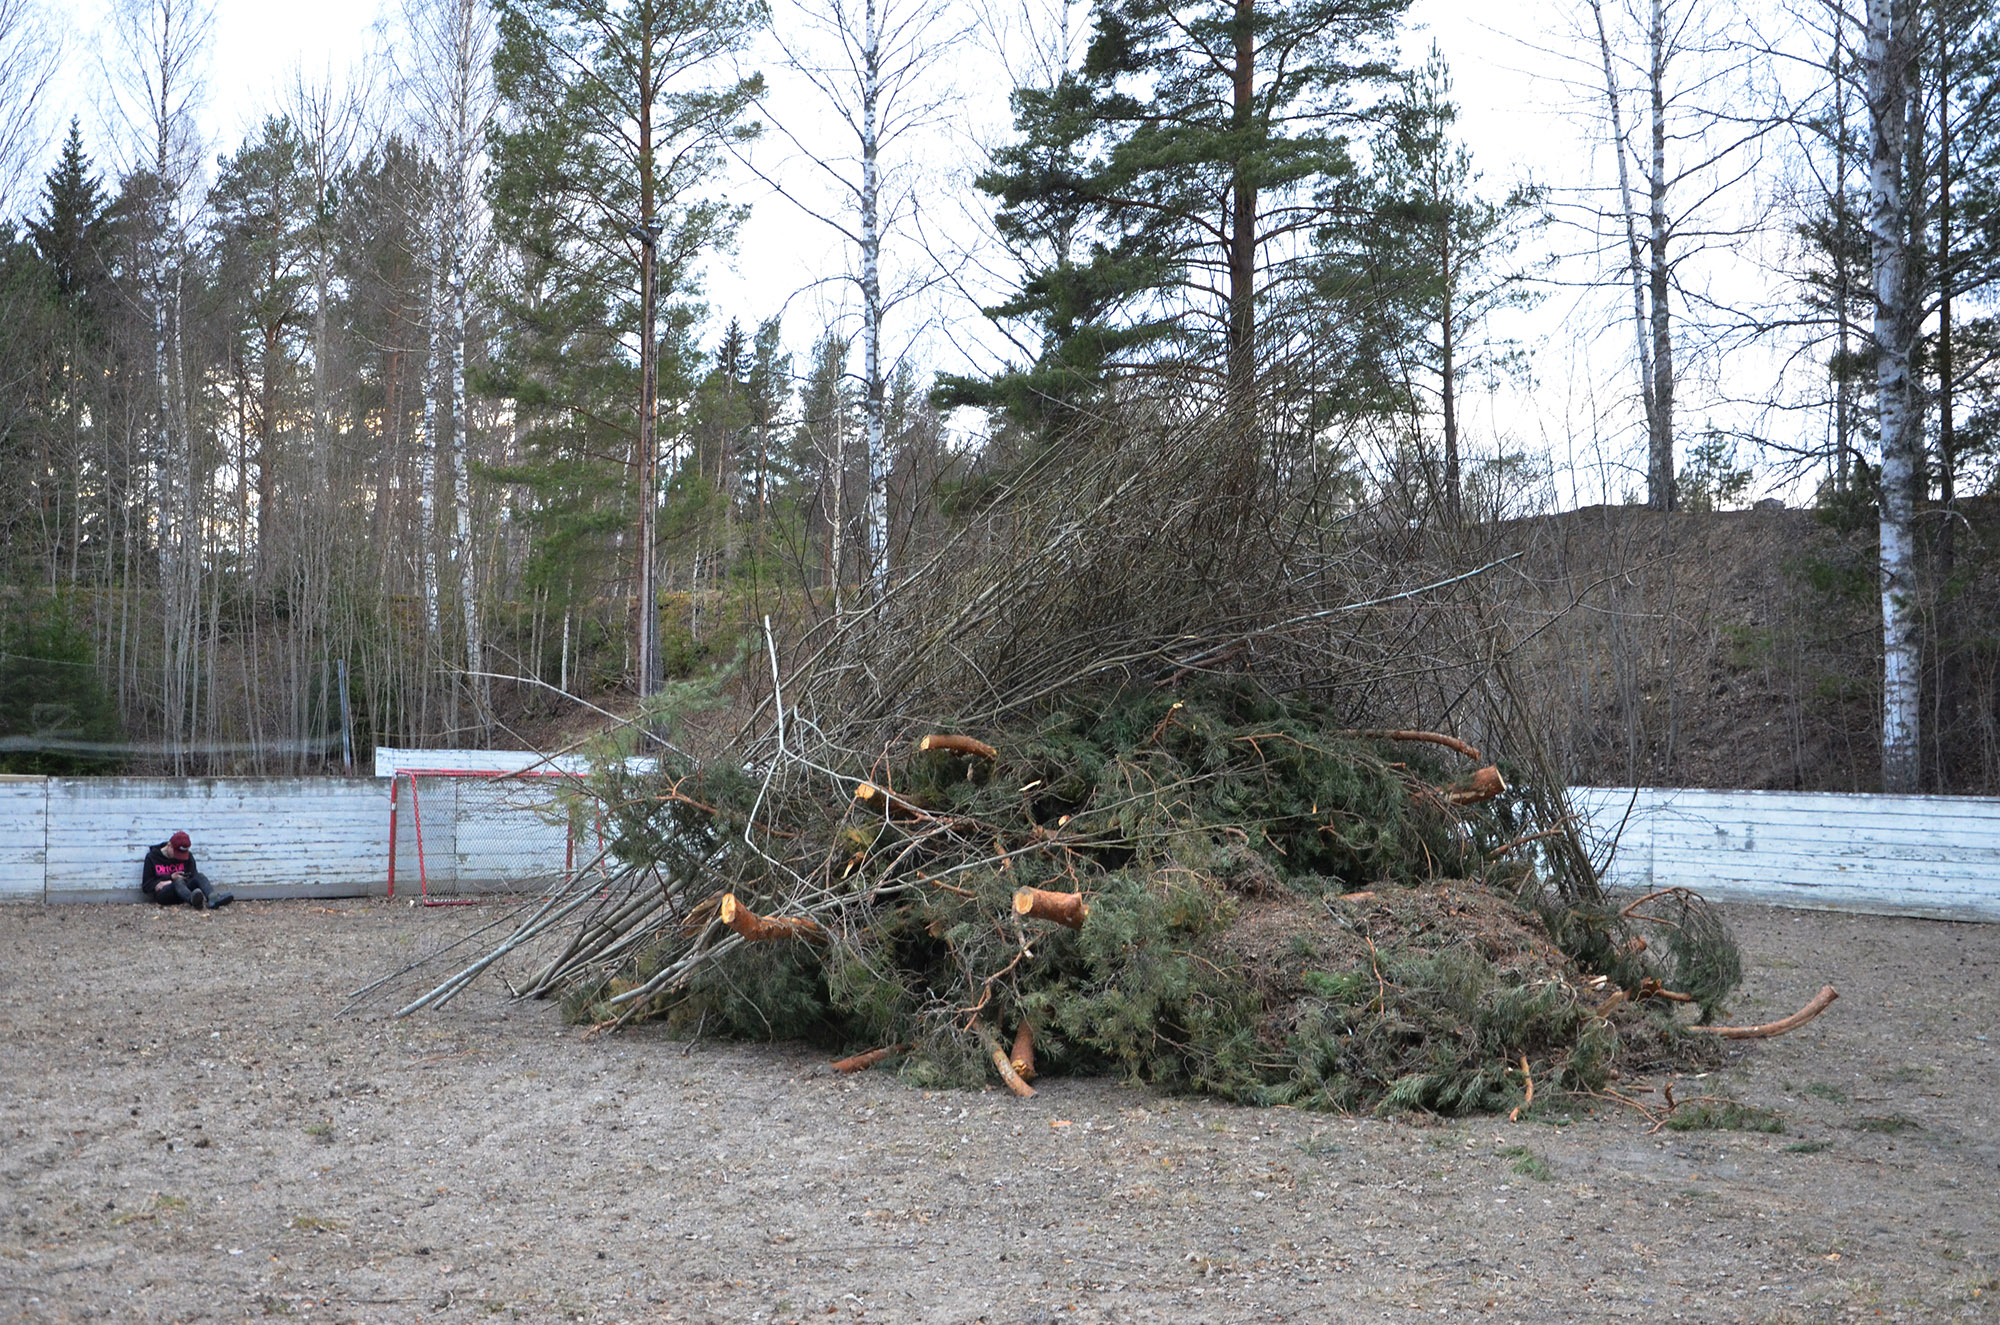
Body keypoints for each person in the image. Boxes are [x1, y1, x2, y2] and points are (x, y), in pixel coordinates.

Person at [139, 831, 234, 910]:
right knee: (177, 881)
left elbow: (193, 875)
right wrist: (169, 879)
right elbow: (146, 886)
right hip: (165, 893)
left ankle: (212, 898)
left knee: (200, 876)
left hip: (185, 889)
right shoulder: (152, 857)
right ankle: (193, 900)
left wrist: (185, 878)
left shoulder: (187, 856)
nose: (179, 857)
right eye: (177, 854)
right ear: (169, 845)